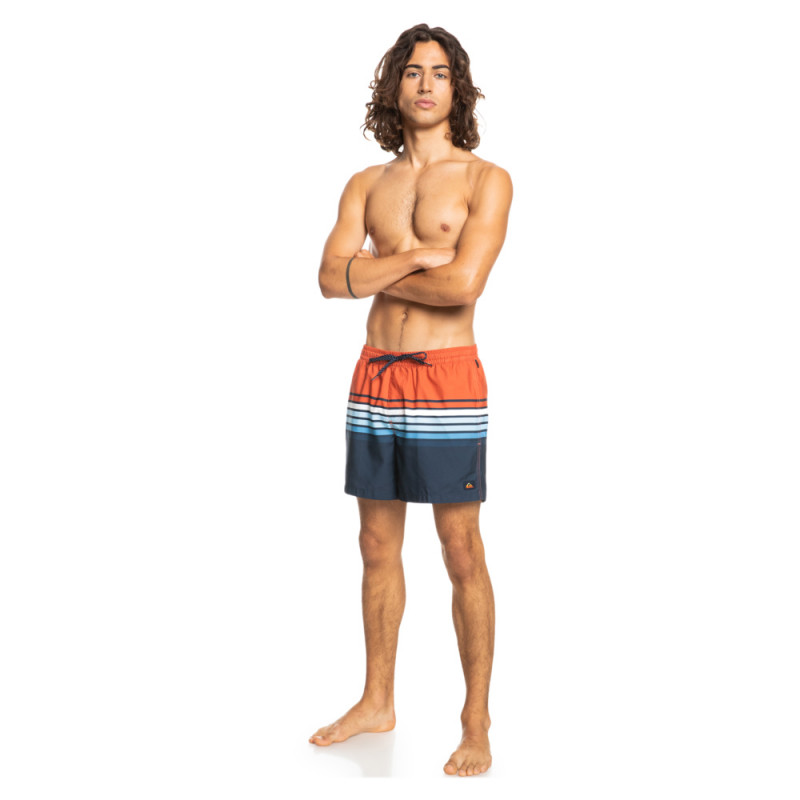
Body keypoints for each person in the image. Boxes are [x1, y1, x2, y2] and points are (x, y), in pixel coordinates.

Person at [310, 23, 512, 778]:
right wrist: (419, 257)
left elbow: (462, 285)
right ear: (393, 87)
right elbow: (328, 280)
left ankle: (475, 720)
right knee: (375, 544)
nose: (426, 84)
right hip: (375, 374)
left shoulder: (486, 180)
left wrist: (376, 269)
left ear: (458, 89)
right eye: (413, 72)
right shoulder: (366, 185)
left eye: (440, 73)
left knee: (460, 549)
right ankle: (377, 700)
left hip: (446, 377)